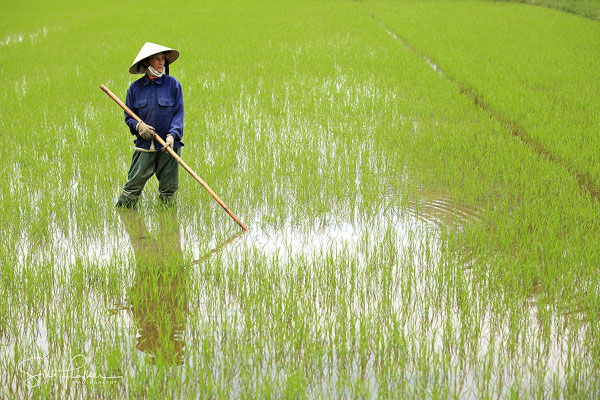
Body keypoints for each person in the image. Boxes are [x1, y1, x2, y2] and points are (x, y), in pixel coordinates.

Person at [116, 42, 184, 208]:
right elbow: (129, 116)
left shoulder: (173, 85)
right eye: (157, 59)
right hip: (145, 146)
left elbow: (178, 114)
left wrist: (172, 135)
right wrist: (139, 127)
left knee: (168, 192)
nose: (162, 63)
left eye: (163, 60)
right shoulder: (135, 88)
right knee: (131, 188)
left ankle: (168, 226)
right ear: (147, 62)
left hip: (169, 147)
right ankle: (124, 215)